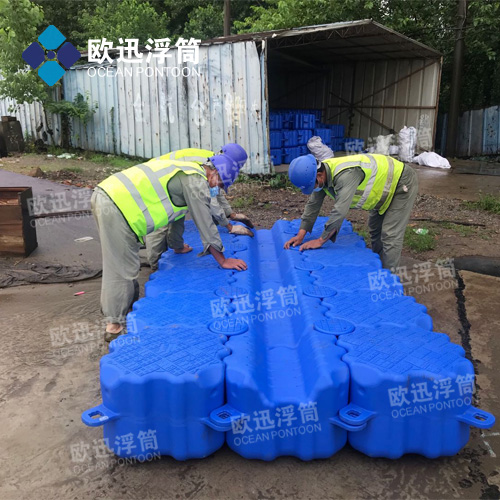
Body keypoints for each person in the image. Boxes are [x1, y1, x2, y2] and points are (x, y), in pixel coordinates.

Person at [92, 152, 248, 341]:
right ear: (215, 173)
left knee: (127, 261)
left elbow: (178, 215)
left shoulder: (192, 172)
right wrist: (222, 260)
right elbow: (204, 221)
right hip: (115, 203)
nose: (217, 188)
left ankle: (128, 309)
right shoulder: (196, 182)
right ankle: (114, 326)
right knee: (121, 266)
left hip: (114, 199)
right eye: (220, 184)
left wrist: (177, 246)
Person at [284, 153, 418, 270]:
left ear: (319, 175)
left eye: (312, 186)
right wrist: (301, 233)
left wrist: (320, 240)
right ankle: (380, 267)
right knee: (375, 229)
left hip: (401, 183)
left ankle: (389, 280)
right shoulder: (322, 174)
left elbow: (340, 211)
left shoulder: (345, 175)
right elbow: (313, 204)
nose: (314, 189)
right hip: (382, 190)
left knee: (390, 235)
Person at [146, 145, 254, 271]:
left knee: (179, 209)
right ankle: (156, 266)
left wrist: (231, 213)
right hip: (154, 179)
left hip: (169, 179)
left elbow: (216, 191)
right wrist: (229, 226)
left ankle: (177, 246)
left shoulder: (214, 164)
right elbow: (210, 205)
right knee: (160, 223)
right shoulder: (203, 169)